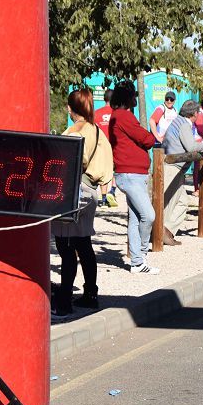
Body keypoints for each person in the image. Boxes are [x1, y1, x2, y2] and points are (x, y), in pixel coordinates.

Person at [51, 88, 114, 316]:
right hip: (92, 190)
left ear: (70, 108)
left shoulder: (74, 133)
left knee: (66, 247)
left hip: (74, 191)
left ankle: (64, 302)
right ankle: (90, 294)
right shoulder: (97, 131)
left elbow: (67, 163)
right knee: (84, 245)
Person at [109, 82, 160, 274]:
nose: (135, 99)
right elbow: (146, 139)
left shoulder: (117, 116)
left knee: (136, 218)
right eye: (133, 96)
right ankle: (141, 257)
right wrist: (148, 137)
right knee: (149, 215)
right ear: (127, 98)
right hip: (131, 174)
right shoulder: (124, 116)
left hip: (130, 173)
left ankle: (137, 262)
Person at [163, 100, 203, 244]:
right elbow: (191, 146)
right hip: (173, 168)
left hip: (173, 167)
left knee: (182, 201)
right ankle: (161, 233)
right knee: (170, 202)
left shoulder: (178, 121)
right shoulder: (184, 124)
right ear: (194, 113)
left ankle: (166, 230)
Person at [93, 88, 119, 208]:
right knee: (114, 169)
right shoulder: (116, 113)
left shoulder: (96, 113)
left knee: (103, 171)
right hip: (113, 145)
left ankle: (103, 198)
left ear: (104, 99)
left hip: (100, 146)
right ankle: (112, 191)